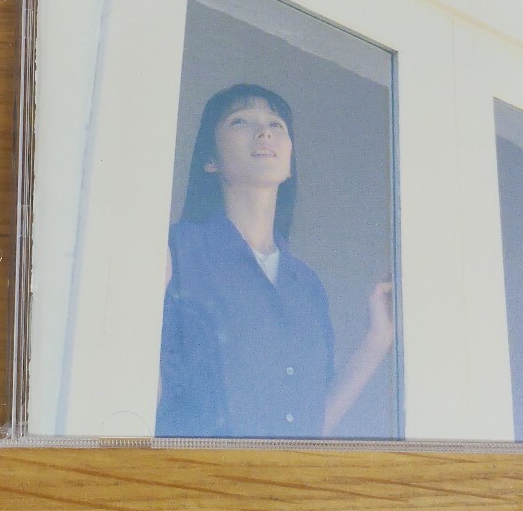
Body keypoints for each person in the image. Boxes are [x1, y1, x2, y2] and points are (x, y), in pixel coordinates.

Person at [156, 83, 394, 438]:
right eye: (240, 121)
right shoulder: (175, 250)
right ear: (211, 160)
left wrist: (378, 340)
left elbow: (311, 426)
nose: (264, 131)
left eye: (276, 124)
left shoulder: (307, 285)